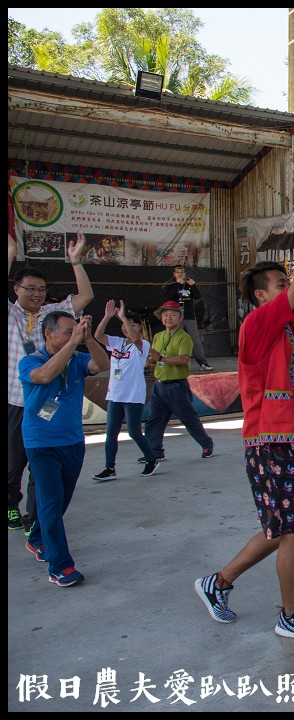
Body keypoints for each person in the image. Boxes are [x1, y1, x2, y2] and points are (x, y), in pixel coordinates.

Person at [194, 189, 294, 641]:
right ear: (260, 296)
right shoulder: (258, 325)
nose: (289, 287)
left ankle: (218, 583)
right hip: (267, 438)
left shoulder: (291, 324)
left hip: (286, 437)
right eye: (278, 284)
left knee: (280, 528)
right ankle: (289, 615)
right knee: (292, 531)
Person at [8, 231, 94, 533]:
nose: (37, 294)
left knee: (40, 470)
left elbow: (86, 297)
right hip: (17, 400)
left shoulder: (51, 315)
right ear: (16, 289)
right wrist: (10, 250)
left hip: (49, 399)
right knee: (13, 462)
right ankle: (10, 506)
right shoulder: (10, 314)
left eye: (42, 289)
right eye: (30, 288)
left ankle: (37, 520)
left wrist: (75, 261)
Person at [21, 311, 109, 587]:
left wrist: (89, 339)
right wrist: (74, 343)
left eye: (76, 330)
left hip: (72, 443)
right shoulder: (30, 361)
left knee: (60, 501)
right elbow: (45, 376)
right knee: (49, 502)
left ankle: (37, 538)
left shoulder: (78, 359)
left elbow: (102, 364)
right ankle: (60, 566)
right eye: (68, 331)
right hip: (41, 444)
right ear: (48, 334)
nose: (74, 335)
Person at [91, 300, 161, 481]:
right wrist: (107, 316)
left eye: (132, 324)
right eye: (124, 324)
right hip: (115, 395)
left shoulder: (142, 345)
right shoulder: (117, 342)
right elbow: (98, 336)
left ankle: (151, 459)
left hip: (132, 396)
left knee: (134, 432)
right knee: (111, 433)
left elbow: (136, 339)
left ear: (139, 327)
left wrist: (123, 316)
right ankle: (109, 467)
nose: (127, 327)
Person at [143, 300, 215, 462]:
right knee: (154, 420)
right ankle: (154, 452)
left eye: (172, 315)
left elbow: (183, 359)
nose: (168, 318)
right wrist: (149, 361)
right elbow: (155, 359)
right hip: (159, 385)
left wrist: (160, 358)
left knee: (188, 418)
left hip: (177, 386)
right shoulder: (158, 337)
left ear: (180, 318)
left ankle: (206, 444)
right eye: (165, 315)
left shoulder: (184, 338)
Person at [163, 264, 213, 372]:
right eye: (178, 272)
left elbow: (197, 296)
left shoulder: (189, 285)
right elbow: (168, 297)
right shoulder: (171, 286)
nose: (180, 274)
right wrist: (177, 285)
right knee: (175, 340)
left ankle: (203, 363)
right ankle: (173, 363)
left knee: (196, 341)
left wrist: (193, 285)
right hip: (176, 317)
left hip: (189, 316)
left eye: (182, 272)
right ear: (174, 274)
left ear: (185, 274)